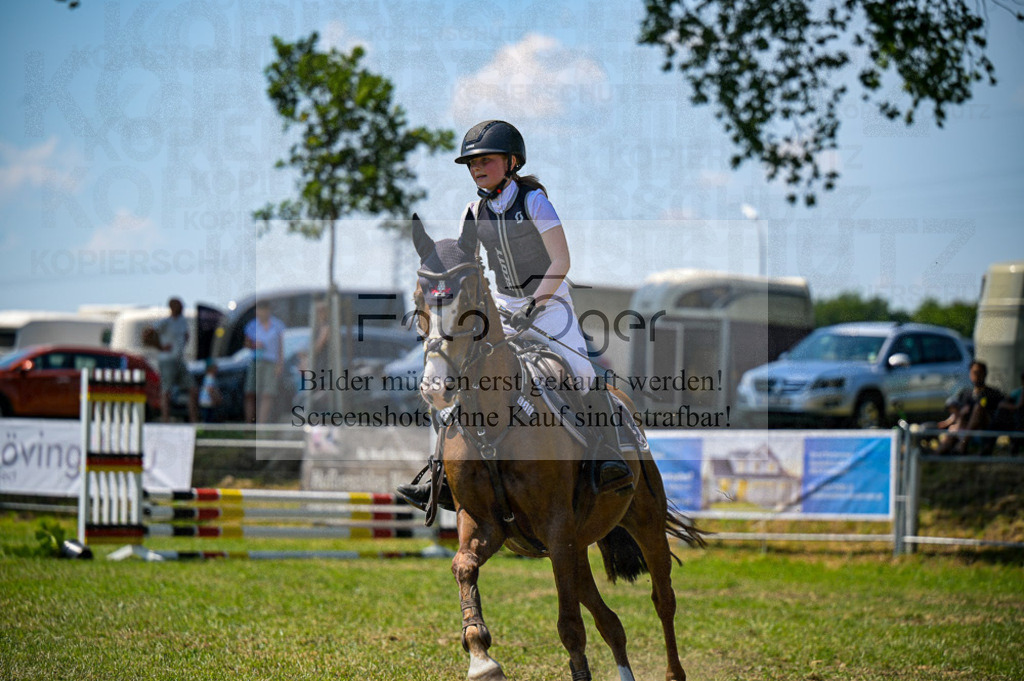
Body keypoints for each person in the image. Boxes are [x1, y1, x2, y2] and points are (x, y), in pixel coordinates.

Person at [398, 120, 632, 510]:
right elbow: (467, 267)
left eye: (485, 160)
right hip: (503, 309)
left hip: (550, 305)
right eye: (471, 163)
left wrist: (536, 304)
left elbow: (561, 260)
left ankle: (608, 458)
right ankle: (439, 475)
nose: (477, 168)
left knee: (583, 373)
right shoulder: (472, 211)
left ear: (511, 161)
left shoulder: (534, 202)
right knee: (458, 378)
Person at [936, 360, 1005, 454]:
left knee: (978, 408)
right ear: (970, 374)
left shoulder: (992, 393)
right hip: (964, 428)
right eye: (974, 372)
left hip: (984, 429)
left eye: (980, 372)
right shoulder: (965, 394)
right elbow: (956, 414)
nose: (977, 375)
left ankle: (962, 446)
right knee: (952, 430)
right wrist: (948, 422)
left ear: (985, 374)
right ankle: (934, 457)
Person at [150, 297, 198, 422]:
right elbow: (148, 333)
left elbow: (186, 335)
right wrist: (160, 346)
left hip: (179, 360)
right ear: (172, 307)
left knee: (192, 388)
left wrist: (183, 343)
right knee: (167, 390)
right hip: (167, 360)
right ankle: (165, 419)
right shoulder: (165, 322)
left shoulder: (182, 321)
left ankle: (194, 420)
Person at [243, 300, 286, 423]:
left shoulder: (278, 325)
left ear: (268, 311)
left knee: (267, 394)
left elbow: (281, 347)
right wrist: (254, 344)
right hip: (256, 361)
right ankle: (249, 424)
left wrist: (280, 364)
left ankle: (261, 425)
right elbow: (246, 343)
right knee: (250, 393)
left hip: (271, 363)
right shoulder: (252, 325)